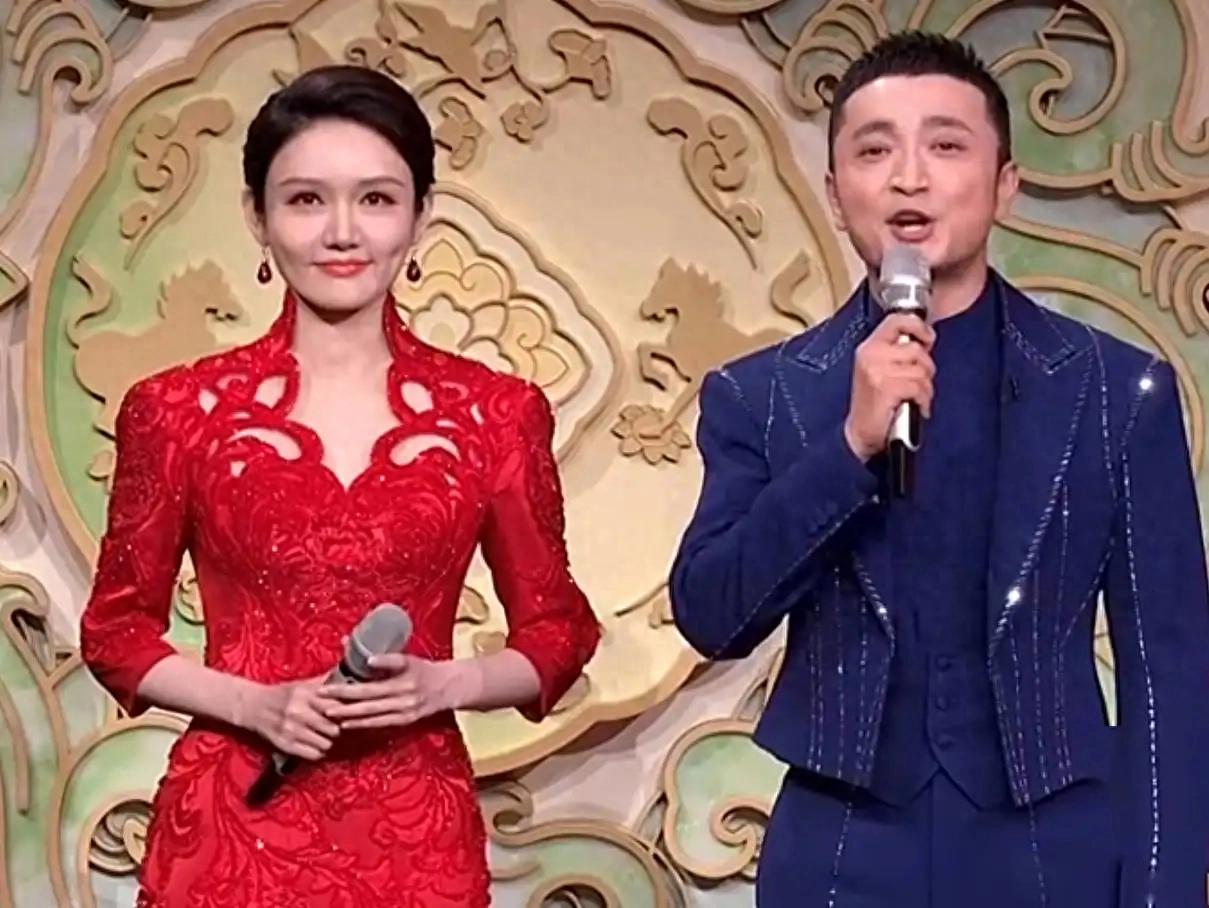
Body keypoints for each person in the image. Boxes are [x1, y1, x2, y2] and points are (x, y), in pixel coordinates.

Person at [671, 31, 1209, 907]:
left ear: (1004, 184)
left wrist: (1163, 893)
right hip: (840, 848)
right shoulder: (760, 395)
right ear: (835, 192)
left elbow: (1171, 670)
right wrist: (847, 448)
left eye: (946, 146)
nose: (908, 178)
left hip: (1053, 845)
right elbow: (711, 614)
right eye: (874, 151)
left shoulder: (1114, 392)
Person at [79, 64, 600, 908]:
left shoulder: (496, 414)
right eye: (306, 200)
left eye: (377, 199)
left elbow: (558, 633)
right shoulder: (176, 411)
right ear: (257, 217)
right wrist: (255, 704)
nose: (342, 232)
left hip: (414, 836)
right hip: (232, 827)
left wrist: (444, 683)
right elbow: (116, 633)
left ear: (421, 216)